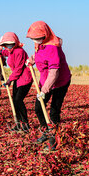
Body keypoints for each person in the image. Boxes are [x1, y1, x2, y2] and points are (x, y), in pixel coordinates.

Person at [26, 21, 71, 150]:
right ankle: (46, 132)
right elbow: (40, 55)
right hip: (46, 80)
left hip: (60, 82)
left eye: (38, 37)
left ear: (45, 35)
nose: (35, 40)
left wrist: (44, 90)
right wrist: (31, 60)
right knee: (38, 108)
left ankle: (54, 139)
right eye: (33, 38)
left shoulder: (53, 48)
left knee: (54, 112)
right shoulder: (40, 44)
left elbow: (54, 72)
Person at [0, 32, 33, 132]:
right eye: (6, 45)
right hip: (18, 79)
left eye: (10, 44)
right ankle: (18, 123)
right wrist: (1, 53)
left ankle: (25, 124)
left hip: (25, 79)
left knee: (18, 100)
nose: (8, 47)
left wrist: (9, 80)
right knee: (15, 101)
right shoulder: (11, 51)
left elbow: (18, 69)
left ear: (15, 43)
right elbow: (7, 53)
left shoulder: (19, 51)